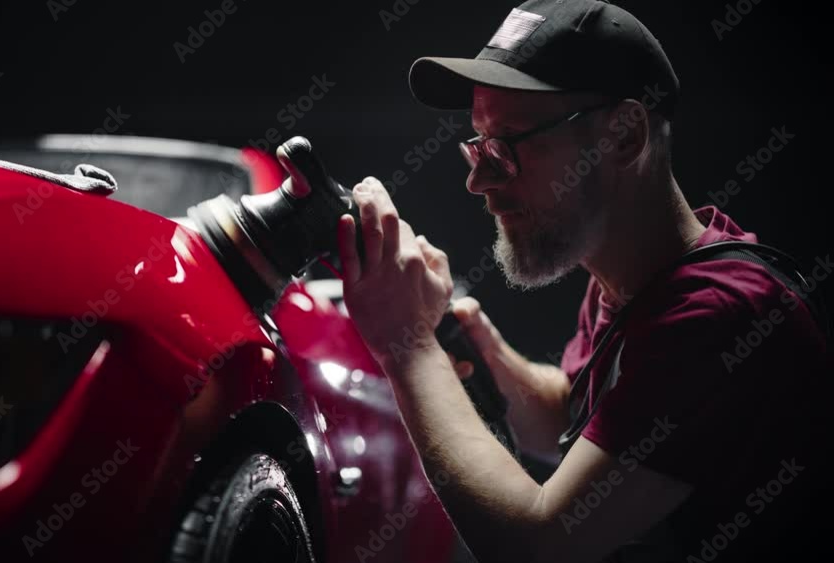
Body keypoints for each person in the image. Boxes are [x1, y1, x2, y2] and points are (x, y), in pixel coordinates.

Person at [335, 0, 831, 561]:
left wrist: (410, 346)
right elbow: (581, 424)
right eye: (478, 145)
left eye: (508, 146)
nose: (478, 180)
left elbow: (537, 543)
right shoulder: (631, 279)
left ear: (623, 135)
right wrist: (495, 362)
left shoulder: (723, 314)